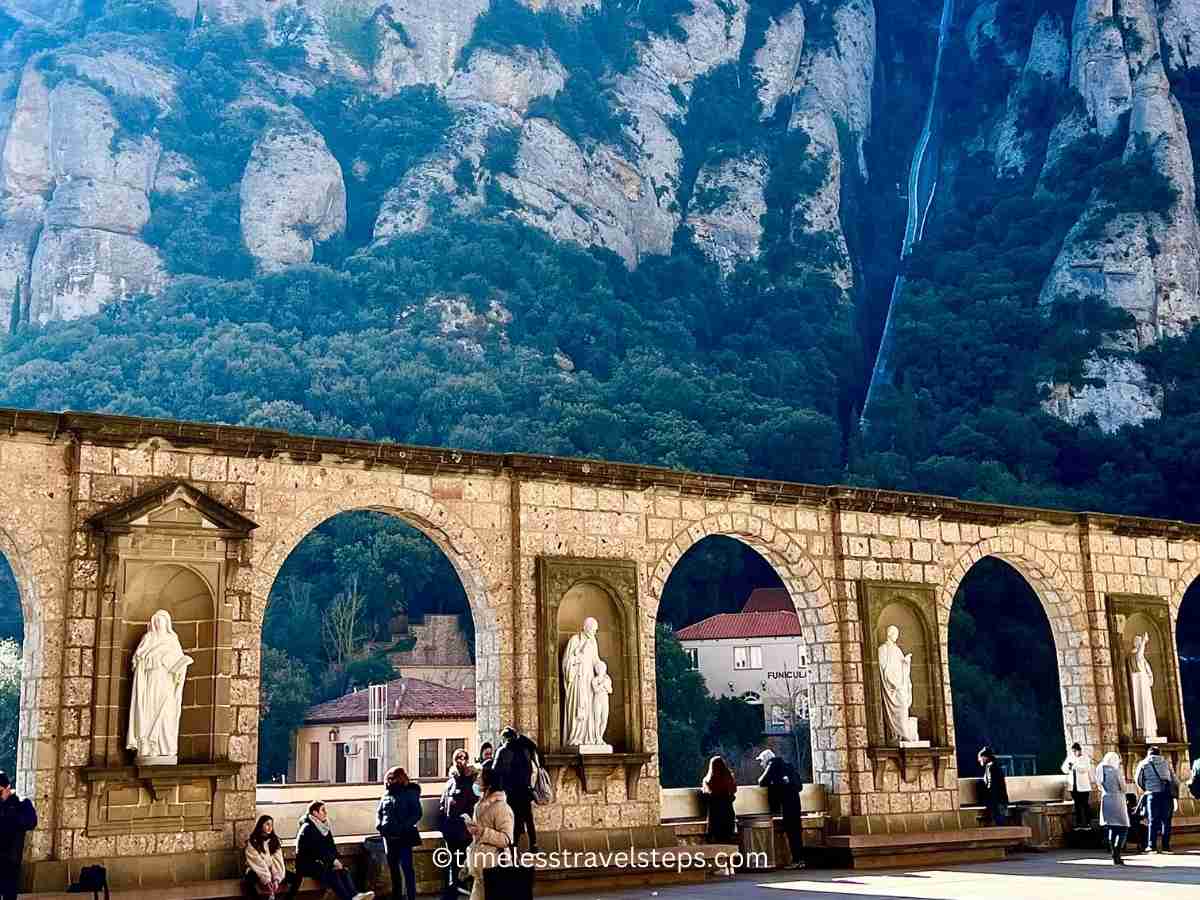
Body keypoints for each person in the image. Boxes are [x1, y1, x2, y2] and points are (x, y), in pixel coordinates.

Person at [294, 800, 374, 900]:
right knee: (333, 875)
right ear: (315, 813)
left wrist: (335, 859)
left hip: (321, 862)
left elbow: (330, 846)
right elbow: (317, 850)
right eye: (323, 810)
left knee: (343, 871)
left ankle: (354, 895)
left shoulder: (323, 826)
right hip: (308, 865)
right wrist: (332, 861)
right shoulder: (308, 828)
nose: (326, 813)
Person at [465, 766, 515, 900]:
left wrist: (482, 832)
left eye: (480, 777)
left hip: (494, 869)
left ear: (489, 783)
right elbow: (477, 841)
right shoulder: (480, 805)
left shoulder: (501, 807)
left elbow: (506, 839)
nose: (477, 780)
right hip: (480, 871)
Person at [439, 748, 479, 898]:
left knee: (462, 865)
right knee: (451, 865)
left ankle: (461, 892)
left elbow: (475, 806)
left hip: (465, 832)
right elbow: (443, 805)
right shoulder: (450, 782)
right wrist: (443, 826)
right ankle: (452, 894)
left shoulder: (471, 782)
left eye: (463, 758)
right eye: (457, 758)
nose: (460, 761)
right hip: (451, 831)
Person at [377, 767, 422, 900]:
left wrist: (403, 827)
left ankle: (411, 897)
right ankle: (396, 896)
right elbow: (379, 812)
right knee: (393, 870)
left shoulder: (409, 793)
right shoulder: (386, 794)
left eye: (392, 778)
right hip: (388, 837)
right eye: (388, 779)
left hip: (403, 837)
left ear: (400, 778)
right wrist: (379, 825)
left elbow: (417, 813)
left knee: (407, 869)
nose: (389, 781)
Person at [493, 726, 540, 852]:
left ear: (505, 738)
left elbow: (495, 772)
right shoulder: (525, 750)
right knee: (527, 818)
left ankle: (512, 846)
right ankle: (533, 843)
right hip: (525, 790)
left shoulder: (502, 751)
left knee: (512, 820)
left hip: (510, 793)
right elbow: (530, 768)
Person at [756, 749, 804, 869]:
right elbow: (800, 786)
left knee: (791, 832)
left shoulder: (773, 764)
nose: (761, 764)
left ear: (767, 759)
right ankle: (800, 860)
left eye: (762, 761)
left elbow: (761, 781)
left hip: (786, 806)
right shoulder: (788, 766)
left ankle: (796, 861)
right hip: (796, 803)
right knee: (796, 832)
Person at [244, 815, 302, 899]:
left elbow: (278, 861)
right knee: (248, 881)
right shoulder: (253, 841)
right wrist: (267, 879)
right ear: (261, 825)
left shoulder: (275, 841)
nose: (270, 827)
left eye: (271, 825)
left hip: (273, 870)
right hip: (258, 871)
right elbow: (257, 862)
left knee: (297, 878)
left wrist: (277, 879)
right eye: (267, 824)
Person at [0, 772, 36, 900]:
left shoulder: (21, 805)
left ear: (8, 788)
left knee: (9, 893)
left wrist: (9, 815)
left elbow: (31, 822)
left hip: (11, 859)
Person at [1134, 745, 1177, 853]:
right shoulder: (1166, 763)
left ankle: (1151, 846)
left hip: (1152, 794)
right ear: (1159, 753)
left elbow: (1138, 780)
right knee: (1166, 821)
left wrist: (1147, 788)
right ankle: (1166, 847)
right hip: (1166, 795)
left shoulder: (1143, 764)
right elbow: (1174, 779)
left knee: (1153, 821)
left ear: (1148, 753)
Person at [1096, 753, 1130, 865]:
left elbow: (1099, 785)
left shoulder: (1100, 769)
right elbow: (1123, 787)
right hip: (1117, 800)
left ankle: (1113, 853)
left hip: (1106, 799)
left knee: (1111, 828)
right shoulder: (1115, 771)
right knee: (1123, 827)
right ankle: (1117, 852)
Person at [701, 756, 737, 844]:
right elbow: (733, 791)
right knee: (728, 842)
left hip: (715, 819)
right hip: (728, 816)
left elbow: (705, 797)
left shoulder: (709, 781)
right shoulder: (729, 779)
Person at [1061, 742, 1094, 829]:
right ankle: (1079, 823)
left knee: (1085, 804)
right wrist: (1068, 767)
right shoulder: (1070, 758)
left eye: (1075, 751)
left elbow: (1086, 768)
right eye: (1073, 751)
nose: (1074, 753)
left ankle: (1087, 823)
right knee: (1077, 805)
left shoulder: (1085, 758)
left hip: (1083, 786)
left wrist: (1075, 766)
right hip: (1073, 786)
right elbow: (1064, 769)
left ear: (1079, 750)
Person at [977, 748, 1009, 826]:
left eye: (981, 757)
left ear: (986, 757)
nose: (980, 760)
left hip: (996, 801)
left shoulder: (990, 768)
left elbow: (990, 785)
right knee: (1001, 824)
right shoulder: (996, 766)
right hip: (1001, 800)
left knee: (998, 824)